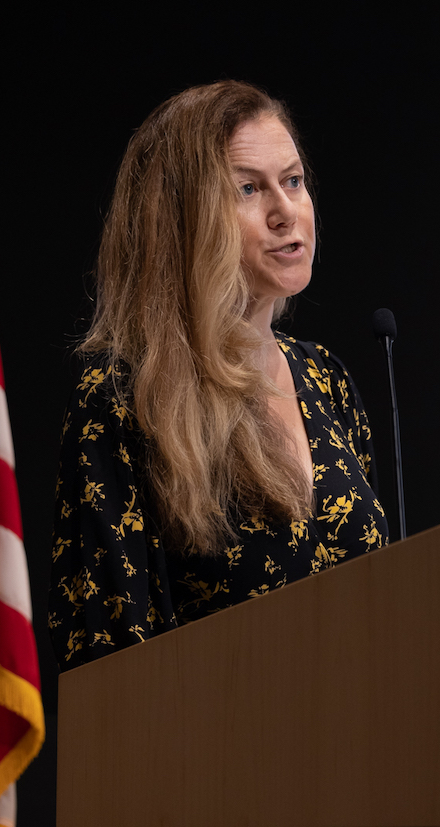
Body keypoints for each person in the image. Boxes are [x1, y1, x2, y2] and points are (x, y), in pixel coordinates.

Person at [48, 81, 387, 671]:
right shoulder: (124, 400)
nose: (285, 211)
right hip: (213, 755)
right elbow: (112, 663)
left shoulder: (324, 377)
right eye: (249, 189)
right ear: (181, 220)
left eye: (293, 181)